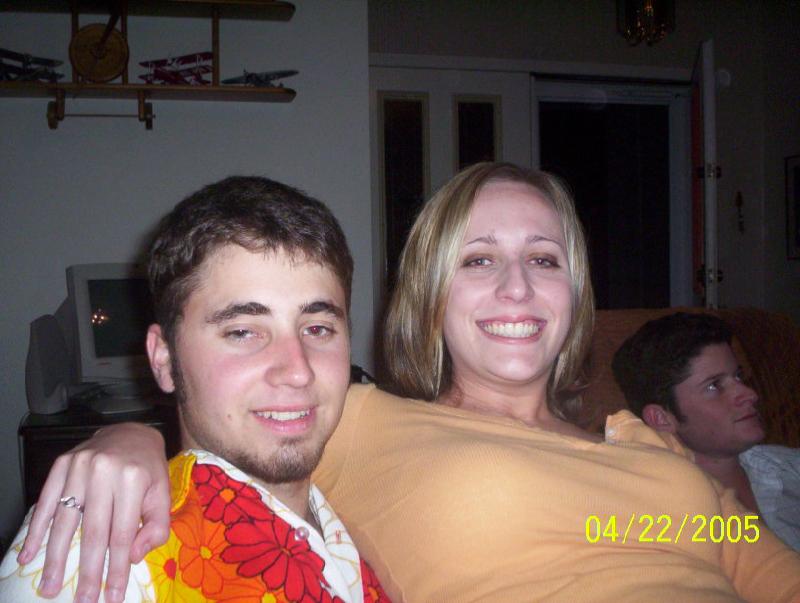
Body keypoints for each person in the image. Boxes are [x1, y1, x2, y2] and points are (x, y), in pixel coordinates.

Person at [15, 163, 800, 602]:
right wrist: (127, 434)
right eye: (479, 258)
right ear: (429, 293)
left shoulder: (647, 446)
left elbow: (749, 557)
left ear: (575, 292)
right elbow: (234, 426)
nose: (518, 287)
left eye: (545, 258)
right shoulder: (365, 423)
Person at [0, 177, 390, 603]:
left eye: (317, 328)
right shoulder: (100, 555)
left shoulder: (348, 530)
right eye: (242, 332)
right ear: (164, 360)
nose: (298, 371)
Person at [612, 311, 800, 551]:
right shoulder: (653, 518)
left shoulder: (788, 466)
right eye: (714, 386)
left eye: (738, 376)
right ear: (662, 418)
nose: (750, 394)